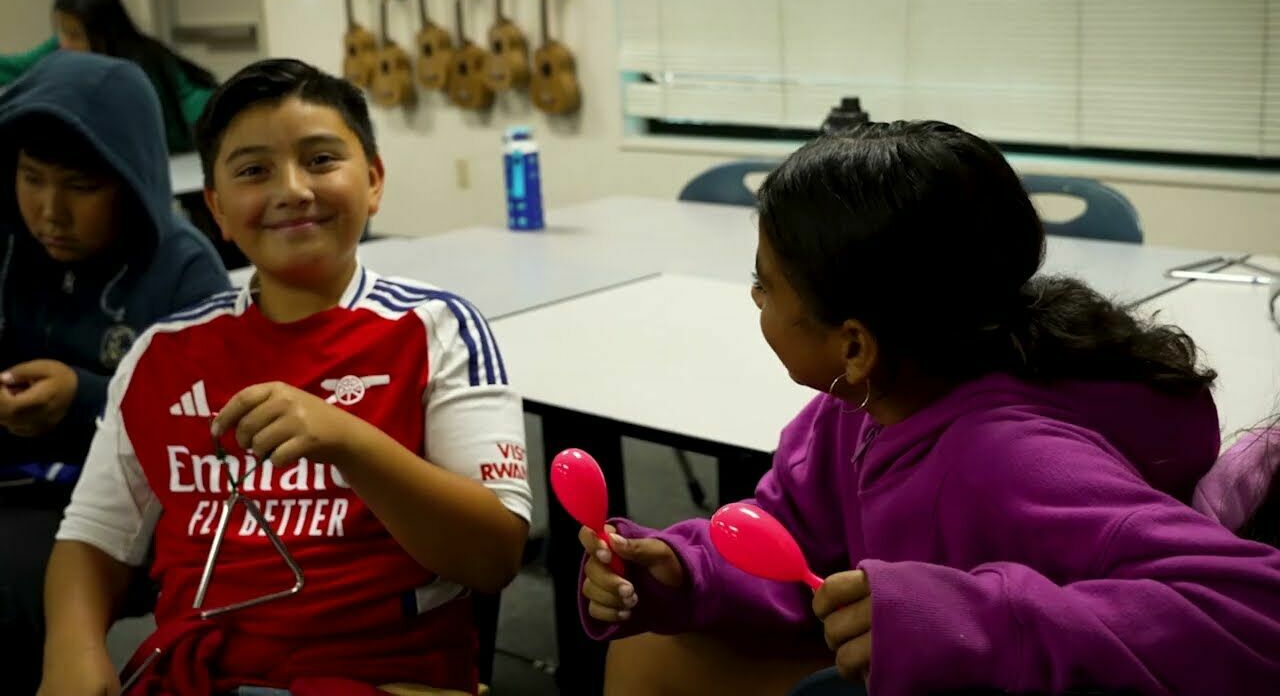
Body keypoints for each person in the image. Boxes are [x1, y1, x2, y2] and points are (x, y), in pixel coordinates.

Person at [576, 121, 1280, 695]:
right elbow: (794, 537)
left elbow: (1254, 612)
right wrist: (683, 569)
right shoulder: (857, 410)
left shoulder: (1014, 462)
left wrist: (976, 621)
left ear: (854, 345)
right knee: (651, 651)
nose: (756, 299)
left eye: (765, 285)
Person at [39, 58, 531, 695]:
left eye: (321, 160)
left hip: (380, 672)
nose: (293, 189)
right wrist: (72, 650)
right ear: (215, 208)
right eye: (253, 171)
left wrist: (348, 442)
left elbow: (492, 558)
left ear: (375, 181)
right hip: (198, 671)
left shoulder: (435, 330)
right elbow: (94, 535)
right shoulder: (165, 353)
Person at [0, 49, 229, 695]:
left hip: (125, 514)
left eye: (81, 186)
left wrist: (86, 401)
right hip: (15, 484)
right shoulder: (8, 243)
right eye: (30, 177)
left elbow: (213, 432)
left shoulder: (184, 268)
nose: (49, 211)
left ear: (132, 179)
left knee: (10, 581)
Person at [0, 0, 218, 154]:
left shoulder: (139, 65)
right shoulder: (65, 48)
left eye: (74, 34)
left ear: (104, 33)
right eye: (61, 32)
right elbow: (19, 68)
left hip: (194, 139)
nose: (64, 43)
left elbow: (152, 139)